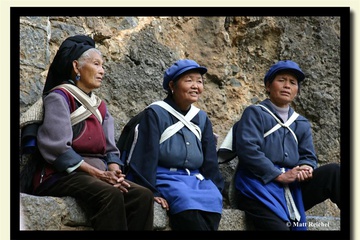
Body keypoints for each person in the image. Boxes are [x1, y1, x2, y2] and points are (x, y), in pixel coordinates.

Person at [31, 35, 154, 231]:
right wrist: (99, 174)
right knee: (110, 194)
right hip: (61, 174)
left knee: (142, 195)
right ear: (76, 67)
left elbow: (111, 149)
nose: (102, 71)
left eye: (103, 66)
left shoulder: (100, 106)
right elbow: (58, 149)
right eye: (96, 64)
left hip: (97, 174)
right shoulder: (59, 97)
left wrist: (114, 170)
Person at [232, 60, 341, 231]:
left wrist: (306, 167)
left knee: (334, 172)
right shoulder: (255, 113)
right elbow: (248, 150)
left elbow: (308, 156)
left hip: (291, 190)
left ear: (297, 90)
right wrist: (278, 175)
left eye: (292, 82)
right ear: (268, 86)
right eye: (281, 80)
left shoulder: (300, 122)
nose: (287, 86)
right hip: (258, 188)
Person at [126, 59, 225, 231]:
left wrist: (216, 186)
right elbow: (145, 155)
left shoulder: (201, 118)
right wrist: (152, 191)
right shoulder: (156, 113)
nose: (196, 86)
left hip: (196, 180)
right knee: (186, 202)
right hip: (166, 177)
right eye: (189, 80)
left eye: (199, 81)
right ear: (172, 85)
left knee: (214, 198)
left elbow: (210, 159)